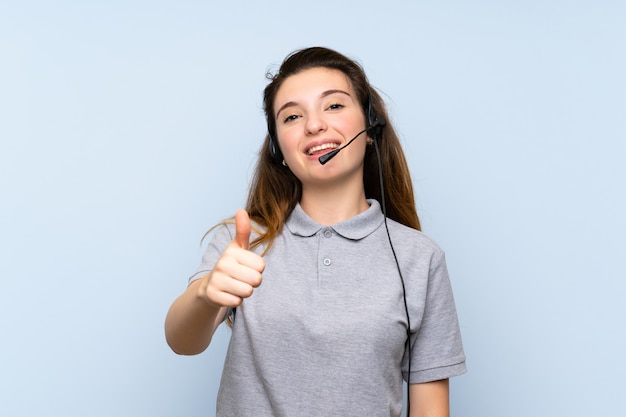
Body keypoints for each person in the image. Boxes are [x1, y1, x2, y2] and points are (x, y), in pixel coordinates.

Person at [165, 46, 466, 417]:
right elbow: (182, 341)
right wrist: (207, 295)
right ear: (279, 148)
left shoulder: (421, 259)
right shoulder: (243, 242)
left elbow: (430, 410)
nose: (313, 125)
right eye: (291, 116)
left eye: (334, 106)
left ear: (370, 127)